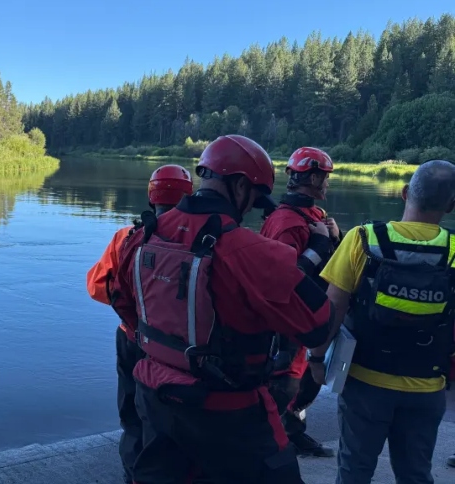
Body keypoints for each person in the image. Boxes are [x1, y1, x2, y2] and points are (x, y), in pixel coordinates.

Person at [111, 134, 334, 484]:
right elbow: (318, 324)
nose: (251, 210)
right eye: (255, 199)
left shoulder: (140, 238)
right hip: (229, 412)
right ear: (241, 186)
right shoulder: (248, 250)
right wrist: (322, 253)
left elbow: (121, 301)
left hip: (156, 399)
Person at [310, 159, 455, 484]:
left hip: (365, 384)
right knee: (415, 474)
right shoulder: (454, 250)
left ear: (405, 193)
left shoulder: (363, 239)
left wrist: (316, 360)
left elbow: (331, 311)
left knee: (354, 472)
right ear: (451, 205)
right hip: (427, 387)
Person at [85, 164, 193, 484]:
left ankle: (134, 476)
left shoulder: (126, 238)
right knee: (172, 423)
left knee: (133, 420)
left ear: (151, 195)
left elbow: (96, 286)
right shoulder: (198, 241)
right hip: (178, 351)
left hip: (132, 340)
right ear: (187, 196)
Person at [260, 147, 339, 458]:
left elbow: (330, 265)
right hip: (288, 322)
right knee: (286, 383)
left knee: (309, 379)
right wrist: (319, 245)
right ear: (314, 178)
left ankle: (292, 432)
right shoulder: (287, 223)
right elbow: (280, 279)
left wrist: (335, 238)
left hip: (312, 314)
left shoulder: (312, 216)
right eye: (326, 178)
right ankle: (268, 444)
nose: (329, 184)